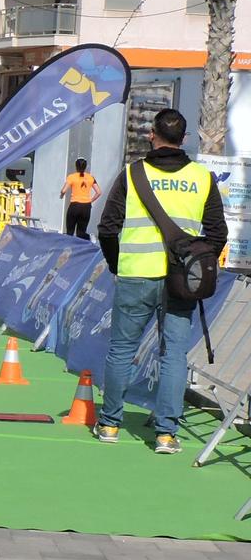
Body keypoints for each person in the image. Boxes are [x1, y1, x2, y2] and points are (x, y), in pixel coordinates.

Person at [94, 108, 226, 455]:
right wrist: (197, 266)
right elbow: (217, 233)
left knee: (122, 350)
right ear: (184, 139)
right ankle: (166, 434)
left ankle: (109, 424)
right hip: (180, 281)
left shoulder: (132, 174)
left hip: (136, 273)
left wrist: (115, 264)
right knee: (173, 356)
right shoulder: (201, 177)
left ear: (152, 134)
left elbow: (107, 228)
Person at [62, 157, 100, 239]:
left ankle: (69, 249)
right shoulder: (91, 178)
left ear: (76, 166)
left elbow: (64, 190)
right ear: (85, 167)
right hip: (86, 207)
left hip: (75, 206)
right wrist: (90, 201)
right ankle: (88, 238)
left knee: (70, 232)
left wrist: (61, 195)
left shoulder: (72, 177)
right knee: (81, 233)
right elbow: (98, 192)